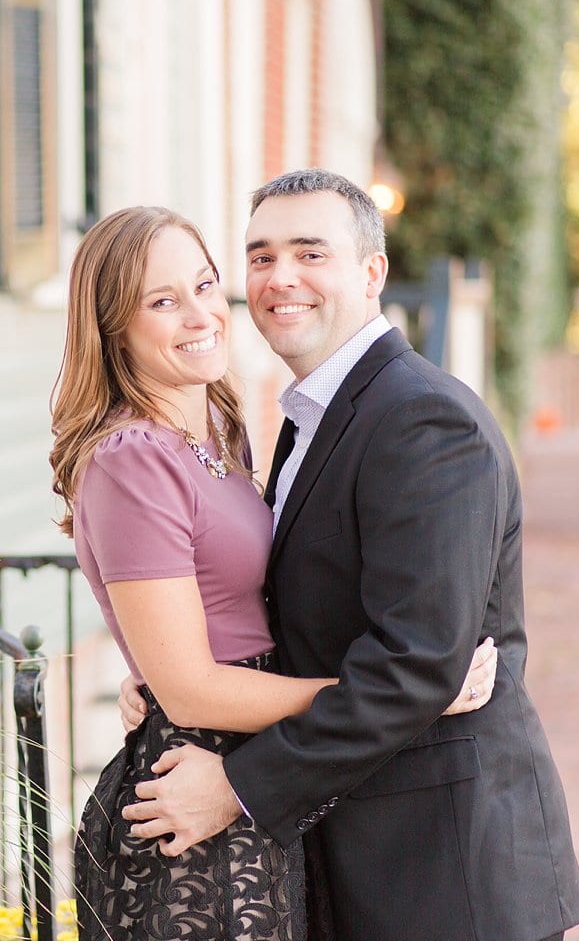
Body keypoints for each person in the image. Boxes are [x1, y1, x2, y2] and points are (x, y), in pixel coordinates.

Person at [118, 169, 579, 940]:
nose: (280, 278)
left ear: (371, 273)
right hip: (360, 849)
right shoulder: (313, 416)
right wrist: (172, 673)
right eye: (260, 256)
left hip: (444, 869)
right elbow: (299, 604)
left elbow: (414, 664)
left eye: (310, 253)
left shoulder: (421, 420)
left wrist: (236, 786)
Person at [48, 204, 499, 940]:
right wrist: (399, 693)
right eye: (162, 301)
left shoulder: (216, 431)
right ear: (112, 327)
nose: (200, 314)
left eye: (203, 285)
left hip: (255, 773)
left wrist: (152, 671)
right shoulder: (132, 456)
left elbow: (221, 609)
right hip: (194, 793)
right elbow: (192, 683)